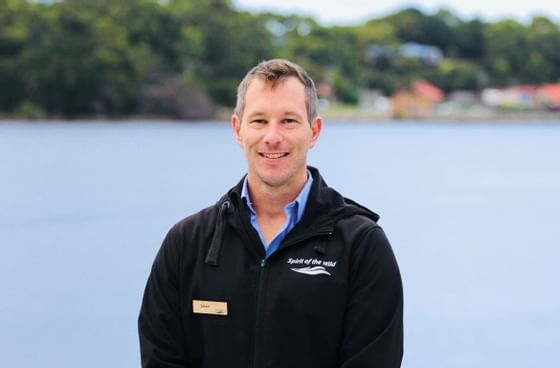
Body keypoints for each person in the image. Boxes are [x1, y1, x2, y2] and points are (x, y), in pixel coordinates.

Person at [138, 59, 403, 368]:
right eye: (259, 121)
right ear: (238, 130)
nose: (272, 137)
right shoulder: (187, 244)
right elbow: (161, 359)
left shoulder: (361, 246)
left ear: (313, 131)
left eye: (289, 121)